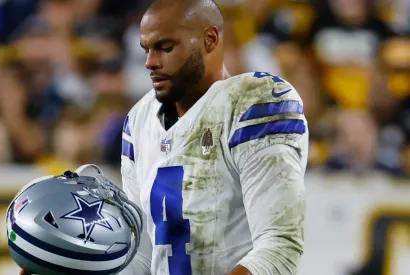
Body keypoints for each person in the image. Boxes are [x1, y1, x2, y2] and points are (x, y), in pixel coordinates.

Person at [21, 0, 308, 274]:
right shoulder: (140, 120)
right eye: (146, 49)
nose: (150, 62)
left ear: (209, 40)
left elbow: (279, 248)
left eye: (165, 47)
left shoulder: (255, 104)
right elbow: (143, 257)